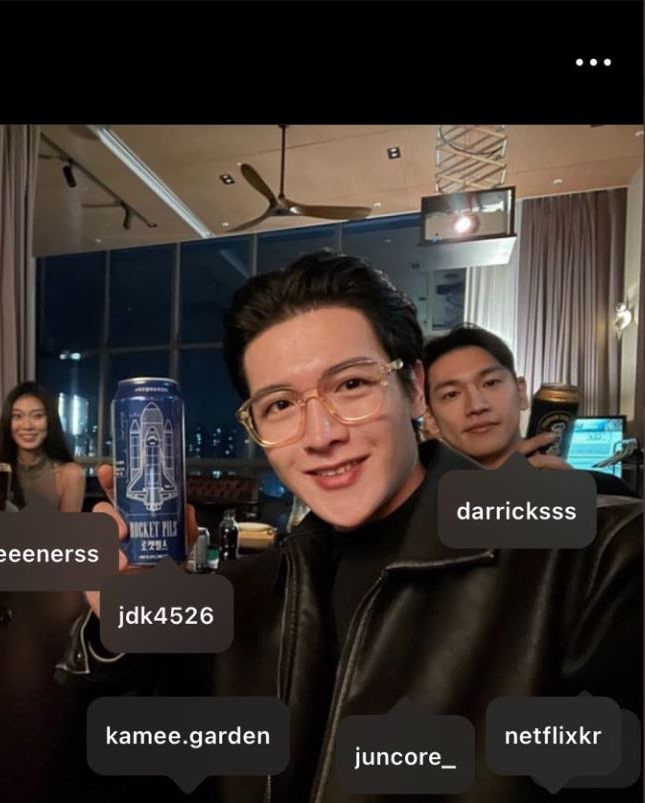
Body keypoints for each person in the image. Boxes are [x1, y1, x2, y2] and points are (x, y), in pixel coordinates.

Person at [57, 253, 642, 802]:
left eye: (351, 385)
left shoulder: (597, 557)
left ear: (414, 389)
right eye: (280, 405)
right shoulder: (248, 595)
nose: (320, 435)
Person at [423, 323, 637, 495]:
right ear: (431, 420)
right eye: (451, 394)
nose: (477, 406)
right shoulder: (424, 508)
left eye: (490, 383)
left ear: (521, 392)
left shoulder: (605, 491)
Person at [0, 381, 85, 513]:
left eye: (37, 416)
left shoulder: (70, 475)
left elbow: (68, 527)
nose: (27, 426)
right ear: (8, 422)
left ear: (50, 420)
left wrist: (12, 513)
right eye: (18, 416)